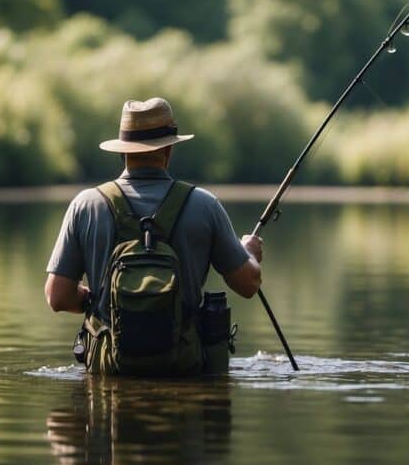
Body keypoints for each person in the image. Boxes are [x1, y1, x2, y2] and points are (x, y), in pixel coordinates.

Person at [44, 97, 263, 375]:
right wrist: (249, 253)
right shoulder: (205, 205)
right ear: (169, 149)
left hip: (109, 368)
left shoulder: (86, 205)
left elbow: (58, 297)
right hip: (184, 367)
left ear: (123, 151)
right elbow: (248, 284)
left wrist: (95, 299)